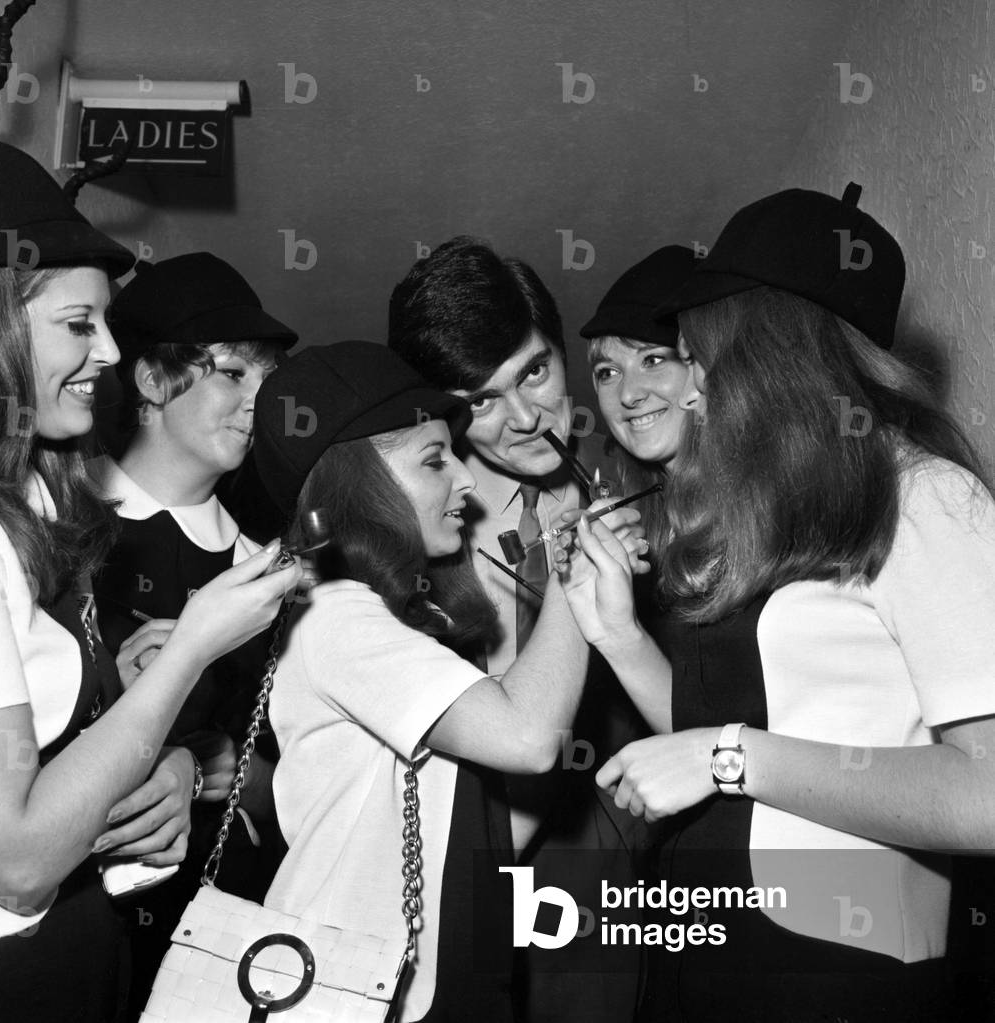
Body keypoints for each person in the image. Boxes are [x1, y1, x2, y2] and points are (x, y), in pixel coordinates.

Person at [555, 184, 995, 1022]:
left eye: (701, 358)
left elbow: (989, 794)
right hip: (711, 938)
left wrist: (733, 756)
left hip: (838, 965)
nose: (686, 391)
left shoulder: (928, 498)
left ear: (772, 351)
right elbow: (699, 745)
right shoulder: (765, 520)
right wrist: (615, 631)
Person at [0, 143, 300, 1023]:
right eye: (80, 323)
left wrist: (176, 756)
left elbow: (69, 748)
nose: (111, 352)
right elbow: (16, 857)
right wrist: (192, 647)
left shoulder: (41, 505)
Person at [252, 341, 647, 1023]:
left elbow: (482, 827)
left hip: (442, 981)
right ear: (357, 486)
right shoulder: (334, 615)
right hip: (353, 996)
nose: (465, 480)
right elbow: (527, 737)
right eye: (435, 459)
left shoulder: (401, 622)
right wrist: (572, 571)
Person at [389, 237, 654, 1022]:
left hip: (617, 870)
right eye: (481, 398)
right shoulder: (414, 542)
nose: (526, 416)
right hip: (466, 873)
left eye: (534, 371)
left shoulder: (645, 472)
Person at [88, 251, 298, 1016]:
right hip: (73, 922)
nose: (256, 400)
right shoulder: (54, 529)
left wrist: (220, 767)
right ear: (150, 380)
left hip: (221, 929)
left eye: (266, 380)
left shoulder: (264, 567)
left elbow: (296, 783)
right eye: (231, 373)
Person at [579, 244, 696, 559]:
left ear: (702, 367)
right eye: (609, 372)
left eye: (653, 360)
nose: (628, 395)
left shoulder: (773, 511)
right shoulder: (640, 518)